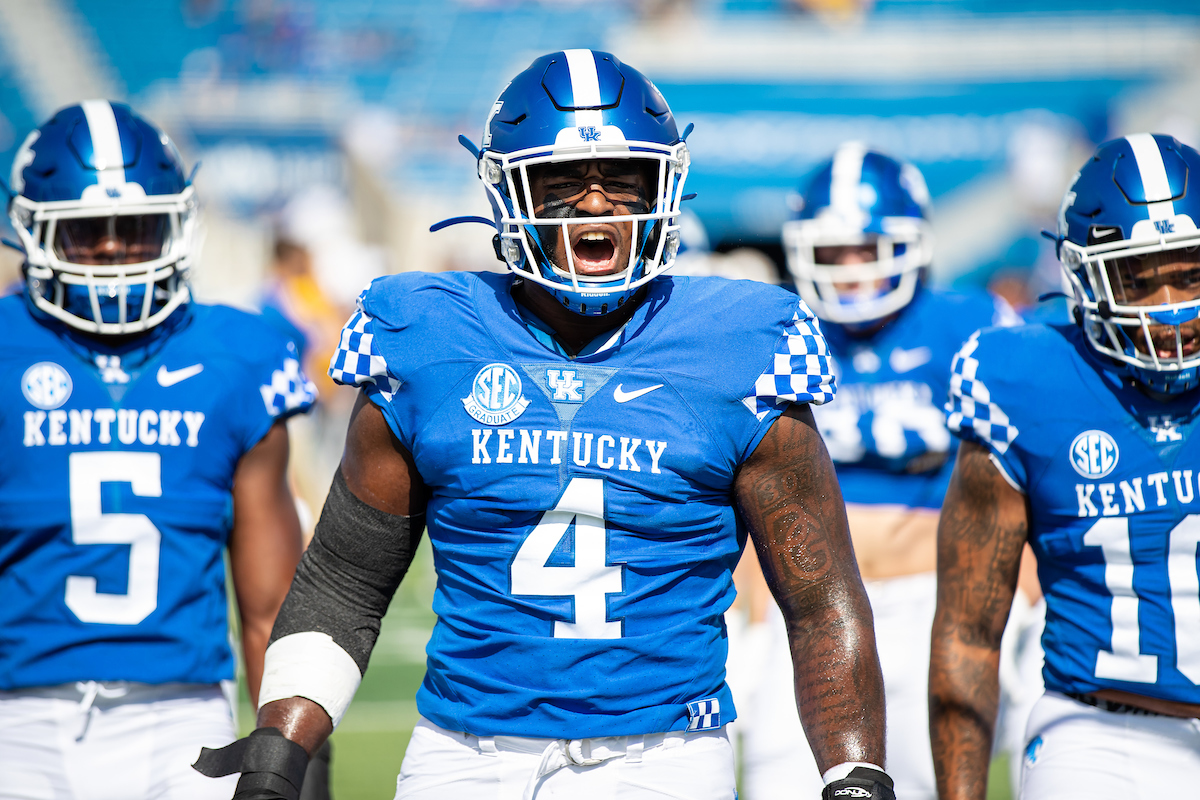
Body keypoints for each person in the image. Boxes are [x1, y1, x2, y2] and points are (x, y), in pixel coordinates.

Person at [194, 50, 896, 800]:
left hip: (660, 755)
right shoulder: (429, 335)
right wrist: (281, 743)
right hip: (462, 752)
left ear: (665, 187)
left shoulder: (738, 344)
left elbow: (821, 598)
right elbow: (344, 581)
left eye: (622, 179)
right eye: (562, 182)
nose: (596, 204)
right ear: (506, 194)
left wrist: (854, 774)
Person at [0, 101, 317, 799]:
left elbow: (273, 609)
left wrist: (299, 765)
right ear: (34, 234)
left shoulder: (234, 354)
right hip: (15, 717)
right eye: (88, 233)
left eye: (136, 229)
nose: (114, 249)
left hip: (182, 722)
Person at [729, 143, 1025, 800]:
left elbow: (1023, 476)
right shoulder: (781, 331)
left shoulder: (971, 326)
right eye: (834, 252)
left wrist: (1026, 589)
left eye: (868, 247)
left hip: (935, 605)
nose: (853, 268)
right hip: (805, 611)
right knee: (790, 784)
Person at [929, 132, 1200, 800]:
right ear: (1084, 277)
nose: (1170, 307)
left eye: (1189, 272)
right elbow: (969, 630)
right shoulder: (1027, 381)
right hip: (1102, 736)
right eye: (1140, 277)